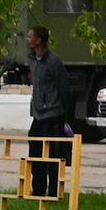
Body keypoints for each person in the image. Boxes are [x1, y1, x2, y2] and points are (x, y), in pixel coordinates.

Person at [25, 25, 72, 199]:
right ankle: (38, 190)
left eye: (30, 37)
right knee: (35, 150)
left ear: (39, 40)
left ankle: (53, 191)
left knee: (53, 153)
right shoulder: (33, 59)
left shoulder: (53, 61)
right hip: (38, 114)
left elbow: (64, 87)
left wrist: (62, 112)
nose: (27, 39)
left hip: (53, 114)